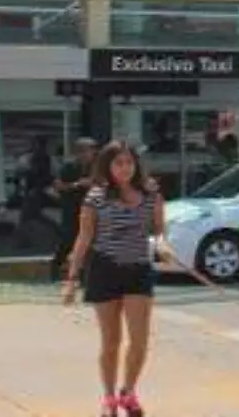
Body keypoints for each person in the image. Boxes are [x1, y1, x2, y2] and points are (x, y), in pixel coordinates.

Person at [63, 142, 166, 417]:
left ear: (136, 165)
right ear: (107, 166)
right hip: (104, 270)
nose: (124, 168)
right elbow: (84, 238)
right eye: (118, 163)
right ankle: (108, 397)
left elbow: (158, 230)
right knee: (111, 341)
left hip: (139, 270)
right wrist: (72, 279)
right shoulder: (95, 197)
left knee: (140, 340)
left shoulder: (151, 193)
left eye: (129, 163)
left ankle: (128, 392)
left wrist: (162, 245)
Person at [50, 137, 98, 282]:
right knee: (69, 240)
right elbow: (58, 186)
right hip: (72, 208)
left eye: (89, 151)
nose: (86, 154)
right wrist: (76, 185)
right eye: (82, 151)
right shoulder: (69, 167)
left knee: (91, 241)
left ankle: (86, 276)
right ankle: (56, 269)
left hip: (92, 209)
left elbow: (104, 184)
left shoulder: (97, 167)